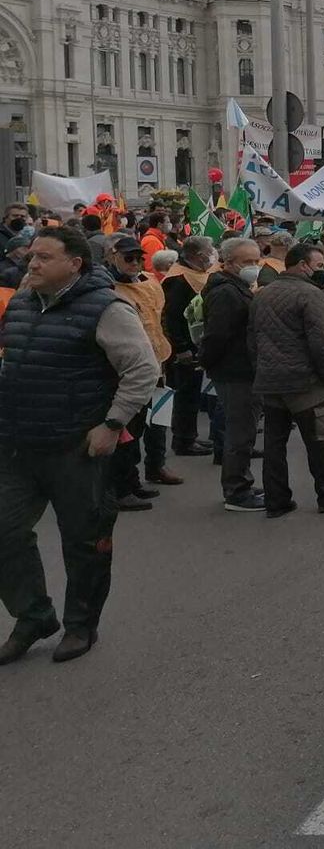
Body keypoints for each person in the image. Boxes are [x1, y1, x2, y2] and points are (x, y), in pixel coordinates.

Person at [0, 227, 160, 664]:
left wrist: (111, 424)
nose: (31, 264)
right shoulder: (19, 302)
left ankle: (80, 625)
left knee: (85, 540)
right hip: (17, 445)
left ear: (75, 264)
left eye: (43, 258)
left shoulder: (107, 308)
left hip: (76, 447)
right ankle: (33, 617)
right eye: (31, 257)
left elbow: (143, 369)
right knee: (5, 532)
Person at [247, 243, 324, 517]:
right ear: (303, 265)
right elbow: (321, 342)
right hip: (305, 382)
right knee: (321, 442)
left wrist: (261, 368)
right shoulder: (311, 294)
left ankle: (276, 500)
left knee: (274, 445)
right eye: (318, 266)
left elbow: (252, 339)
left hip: (271, 380)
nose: (321, 270)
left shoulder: (261, 294)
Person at [104, 236, 181, 506]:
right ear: (112, 257)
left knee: (158, 419)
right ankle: (121, 487)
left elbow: (160, 318)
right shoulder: (108, 287)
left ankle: (150, 470)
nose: (135, 263)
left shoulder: (149, 283)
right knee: (128, 429)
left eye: (139, 258)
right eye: (128, 258)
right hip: (127, 370)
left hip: (156, 361)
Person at [200, 238, 264, 513]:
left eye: (255, 261)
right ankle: (237, 491)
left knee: (244, 430)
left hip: (241, 369)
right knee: (240, 433)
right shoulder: (227, 293)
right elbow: (217, 335)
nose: (253, 267)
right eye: (246, 262)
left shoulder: (240, 288)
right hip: (235, 371)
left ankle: (242, 482)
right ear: (228, 263)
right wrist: (210, 363)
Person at [159, 236, 216, 458]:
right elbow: (173, 317)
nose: (213, 254)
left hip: (194, 343)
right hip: (182, 348)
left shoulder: (195, 275)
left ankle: (189, 436)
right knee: (184, 394)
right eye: (210, 250)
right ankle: (183, 441)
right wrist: (181, 347)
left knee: (192, 393)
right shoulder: (179, 279)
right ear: (198, 255)